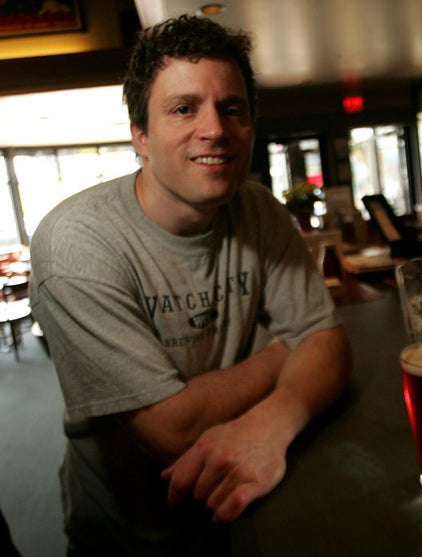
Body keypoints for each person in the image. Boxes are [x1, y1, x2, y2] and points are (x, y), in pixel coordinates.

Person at [29, 14, 352, 557]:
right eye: (183, 108)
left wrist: (277, 418)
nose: (216, 130)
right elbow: (174, 431)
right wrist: (282, 353)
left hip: (247, 509)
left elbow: (329, 343)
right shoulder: (76, 243)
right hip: (129, 535)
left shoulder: (258, 209)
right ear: (141, 136)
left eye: (232, 109)